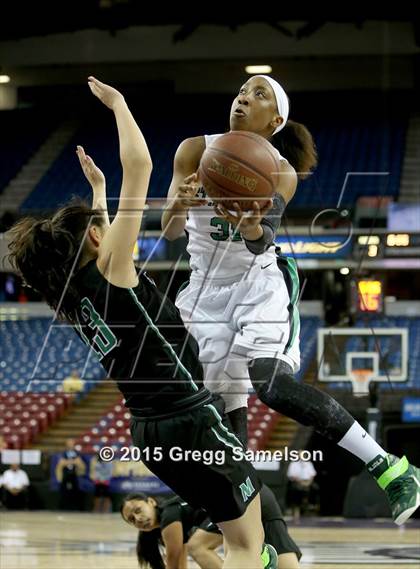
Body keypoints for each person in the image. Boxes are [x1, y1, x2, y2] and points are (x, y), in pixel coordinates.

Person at [7, 77, 276, 569]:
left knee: (237, 536)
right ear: (94, 238)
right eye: (99, 224)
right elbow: (142, 165)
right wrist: (120, 104)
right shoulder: (114, 268)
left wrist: (99, 189)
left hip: (149, 432)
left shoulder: (72, 296)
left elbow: (103, 229)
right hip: (190, 417)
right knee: (246, 543)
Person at [161, 74, 420, 525]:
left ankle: (391, 468)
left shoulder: (279, 170)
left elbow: (265, 241)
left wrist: (252, 229)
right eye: (242, 90)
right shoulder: (193, 150)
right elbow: (168, 230)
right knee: (222, 412)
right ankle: (243, 528)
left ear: (275, 119)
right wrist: (178, 203)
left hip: (258, 282)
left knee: (271, 385)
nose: (244, 97)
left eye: (258, 94)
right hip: (204, 292)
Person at [121, 486, 301, 569]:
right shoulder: (172, 519)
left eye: (138, 510)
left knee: (198, 546)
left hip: (239, 499)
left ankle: (259, 560)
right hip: (255, 493)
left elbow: (175, 565)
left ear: (151, 502)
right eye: (131, 519)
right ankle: (261, 559)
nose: (138, 518)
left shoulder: (169, 516)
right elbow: (180, 564)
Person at [55, 438, 86, 510]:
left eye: (71, 443)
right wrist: (72, 461)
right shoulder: (63, 453)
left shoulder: (77, 453)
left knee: (76, 489)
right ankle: (63, 507)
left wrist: (68, 462)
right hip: (65, 474)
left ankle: (76, 507)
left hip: (74, 474)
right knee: (64, 491)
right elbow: (61, 464)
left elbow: (80, 464)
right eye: (69, 443)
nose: (70, 445)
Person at [287, 451, 318, 522]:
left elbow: (312, 475)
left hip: (308, 483)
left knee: (314, 489)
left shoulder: (309, 464)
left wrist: (308, 483)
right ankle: (296, 513)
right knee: (295, 492)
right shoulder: (293, 464)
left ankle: (311, 507)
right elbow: (291, 476)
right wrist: (301, 482)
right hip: (297, 484)